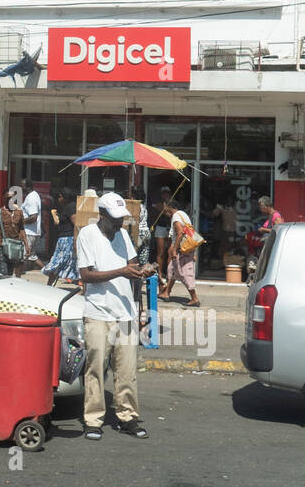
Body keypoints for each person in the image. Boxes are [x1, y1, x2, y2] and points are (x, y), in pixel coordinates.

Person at [75, 191, 154, 441]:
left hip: (125, 311)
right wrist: (122, 271)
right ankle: (93, 420)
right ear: (102, 214)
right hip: (98, 312)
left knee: (127, 370)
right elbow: (86, 275)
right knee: (96, 368)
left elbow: (133, 266)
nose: (120, 222)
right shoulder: (88, 235)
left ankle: (127, 417)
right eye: (115, 218)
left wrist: (143, 271)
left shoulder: (122, 234)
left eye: (122, 218)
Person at [161, 195, 201, 307]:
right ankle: (166, 293)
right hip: (186, 249)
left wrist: (174, 249)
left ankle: (194, 298)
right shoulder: (182, 214)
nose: (164, 211)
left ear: (169, 206)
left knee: (184, 273)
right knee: (172, 269)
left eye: (165, 207)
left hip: (182, 250)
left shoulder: (176, 217)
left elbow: (180, 233)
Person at [42, 188, 78, 287]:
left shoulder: (71, 207)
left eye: (60, 197)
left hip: (68, 240)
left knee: (57, 263)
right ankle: (49, 285)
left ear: (66, 197)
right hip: (64, 239)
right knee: (58, 263)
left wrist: (75, 241)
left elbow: (76, 224)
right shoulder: (67, 207)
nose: (59, 199)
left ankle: (49, 285)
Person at [0, 190, 25, 277]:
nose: (11, 200)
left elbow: (22, 229)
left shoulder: (19, 213)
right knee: (3, 272)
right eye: (8, 198)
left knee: (9, 272)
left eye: (13, 198)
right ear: (3, 199)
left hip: (14, 246)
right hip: (1, 245)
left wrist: (26, 246)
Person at [19, 177, 45, 269]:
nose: (21, 188)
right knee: (31, 256)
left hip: (30, 233)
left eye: (22, 186)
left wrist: (19, 221)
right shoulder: (31, 196)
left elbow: (33, 217)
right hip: (32, 232)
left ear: (27, 187)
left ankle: (17, 278)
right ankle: (49, 273)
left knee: (21, 257)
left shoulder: (32, 198)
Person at [151, 186, 173, 272]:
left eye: (167, 193)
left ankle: (169, 273)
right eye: (164, 193)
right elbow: (165, 212)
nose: (165, 194)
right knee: (160, 252)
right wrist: (165, 209)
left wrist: (165, 209)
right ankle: (159, 273)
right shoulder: (158, 203)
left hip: (170, 228)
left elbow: (170, 214)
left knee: (170, 253)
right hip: (160, 227)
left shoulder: (173, 203)